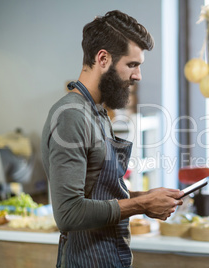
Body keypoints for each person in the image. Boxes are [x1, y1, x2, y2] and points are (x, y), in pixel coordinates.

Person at [41, 10, 183, 268]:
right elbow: (69, 213)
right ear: (103, 58)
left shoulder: (97, 112)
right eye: (132, 64)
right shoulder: (70, 116)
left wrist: (145, 197)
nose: (138, 75)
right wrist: (140, 204)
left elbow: (96, 192)